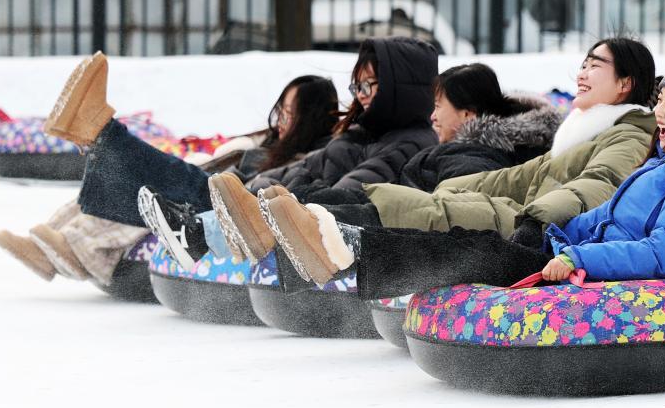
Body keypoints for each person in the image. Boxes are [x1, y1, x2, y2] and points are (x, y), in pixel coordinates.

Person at [255, 52, 665, 315]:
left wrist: (577, 258)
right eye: (660, 101)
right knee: (470, 242)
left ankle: (343, 251)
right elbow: (604, 214)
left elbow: (662, 251)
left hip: (596, 270)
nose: (660, 113)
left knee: (471, 254)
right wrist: (564, 234)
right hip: (563, 246)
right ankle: (326, 239)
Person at [198, 37, 659, 287]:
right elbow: (519, 176)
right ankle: (280, 224)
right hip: (524, 214)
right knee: (415, 200)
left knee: (425, 209)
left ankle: (309, 231)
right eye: (583, 62)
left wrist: (536, 217)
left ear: (625, 84)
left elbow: (600, 185)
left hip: (539, 227)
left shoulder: (628, 134)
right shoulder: (582, 133)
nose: (581, 72)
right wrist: (461, 188)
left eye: (595, 65)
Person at [145, 62, 563, 268]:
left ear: (468, 115)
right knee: (307, 196)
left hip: (392, 227)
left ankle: (202, 233)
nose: (432, 116)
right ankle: (207, 229)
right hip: (388, 210)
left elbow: (447, 208)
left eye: (439, 107)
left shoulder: (473, 157)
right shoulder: (449, 148)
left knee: (322, 203)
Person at [0, 73, 339, 284]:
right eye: (280, 111)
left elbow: (269, 194)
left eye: (290, 115)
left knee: (153, 178)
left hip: (230, 207)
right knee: (128, 180)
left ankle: (99, 129)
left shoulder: (309, 157)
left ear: (310, 120)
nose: (280, 121)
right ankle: (47, 247)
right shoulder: (266, 144)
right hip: (216, 189)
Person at [139, 36, 439, 269]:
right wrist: (256, 188)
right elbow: (304, 168)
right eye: (356, 87)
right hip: (299, 214)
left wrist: (286, 197)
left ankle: (196, 234)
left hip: (325, 233)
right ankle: (192, 224)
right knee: (257, 190)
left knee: (281, 204)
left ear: (398, 88)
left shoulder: (411, 143)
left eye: (368, 86)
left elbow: (351, 193)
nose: (360, 96)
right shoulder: (359, 134)